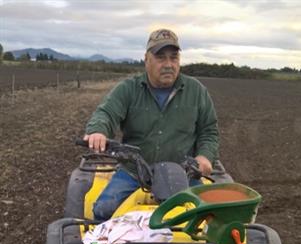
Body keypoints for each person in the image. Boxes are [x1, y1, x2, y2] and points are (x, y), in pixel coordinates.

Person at [83, 28, 219, 220]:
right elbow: (106, 113)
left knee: (211, 215)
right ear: (146, 59)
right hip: (133, 172)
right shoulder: (128, 89)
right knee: (104, 210)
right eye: (161, 58)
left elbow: (209, 131)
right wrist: (98, 131)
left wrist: (205, 157)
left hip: (183, 173)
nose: (168, 65)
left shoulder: (196, 91)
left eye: (174, 58)